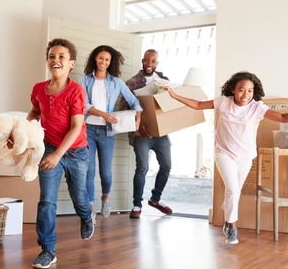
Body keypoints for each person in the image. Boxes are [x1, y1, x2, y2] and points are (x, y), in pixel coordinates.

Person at [166, 71, 288, 244]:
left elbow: (283, 118)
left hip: (245, 157)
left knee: (233, 191)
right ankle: (232, 227)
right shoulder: (223, 102)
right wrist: (175, 96)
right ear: (233, 89)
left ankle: (227, 216)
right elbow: (198, 105)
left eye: (250, 91)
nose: (245, 94)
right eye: (241, 89)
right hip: (224, 153)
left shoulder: (257, 107)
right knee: (233, 190)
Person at [28, 38, 94, 269]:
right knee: (47, 201)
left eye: (61, 57)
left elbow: (76, 126)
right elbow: (35, 112)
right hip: (49, 147)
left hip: (76, 152)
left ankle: (86, 216)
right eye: (52, 56)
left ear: (71, 64)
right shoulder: (38, 89)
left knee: (80, 199)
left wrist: (58, 155)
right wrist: (22, 134)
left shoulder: (76, 91)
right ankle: (48, 250)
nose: (55, 60)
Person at [79, 45, 142, 220]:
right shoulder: (84, 80)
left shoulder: (116, 82)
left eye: (107, 60)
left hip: (107, 132)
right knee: (88, 171)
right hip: (88, 130)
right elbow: (84, 105)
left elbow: (133, 100)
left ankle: (105, 198)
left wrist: (138, 115)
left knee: (105, 172)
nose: (103, 62)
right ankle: (90, 208)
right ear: (95, 59)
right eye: (100, 58)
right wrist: (103, 115)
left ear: (110, 62)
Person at [125, 49, 173, 219]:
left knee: (166, 166)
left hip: (161, 134)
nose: (149, 64)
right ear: (142, 61)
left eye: (153, 61)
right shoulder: (132, 83)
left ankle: (155, 199)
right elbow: (124, 107)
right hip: (142, 134)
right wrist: (138, 128)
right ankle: (137, 205)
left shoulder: (165, 82)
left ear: (156, 63)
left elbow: (169, 106)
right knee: (142, 168)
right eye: (146, 61)